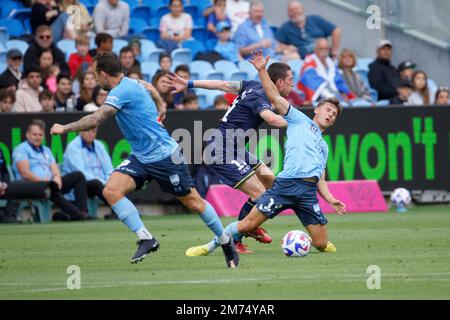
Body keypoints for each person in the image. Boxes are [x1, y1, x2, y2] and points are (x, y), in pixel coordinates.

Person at [50, 52, 239, 267]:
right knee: (111, 190)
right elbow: (150, 87)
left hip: (166, 157)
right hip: (141, 158)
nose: (95, 79)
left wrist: (64, 128)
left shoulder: (121, 91)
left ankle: (225, 240)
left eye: (95, 74)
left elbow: (96, 119)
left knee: (194, 202)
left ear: (103, 74)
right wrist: (161, 104)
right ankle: (146, 238)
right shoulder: (131, 82)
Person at [186, 51, 347, 257]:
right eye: (327, 110)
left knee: (322, 243)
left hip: (307, 193)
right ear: (316, 110)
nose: (330, 114)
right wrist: (262, 70)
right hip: (286, 185)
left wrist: (330, 198)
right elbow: (273, 96)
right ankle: (209, 247)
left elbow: (320, 176)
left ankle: (312, 240)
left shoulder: (323, 146)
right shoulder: (298, 119)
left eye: (334, 114)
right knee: (246, 223)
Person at [165, 57, 295, 254]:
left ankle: (249, 226)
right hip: (221, 148)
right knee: (260, 194)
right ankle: (242, 233)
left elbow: (222, 84)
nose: (293, 83)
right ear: (279, 82)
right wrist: (298, 123)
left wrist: (189, 83)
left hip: (235, 146)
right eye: (290, 79)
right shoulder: (260, 96)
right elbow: (270, 118)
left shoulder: (251, 85)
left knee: (271, 184)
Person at [13, 119, 89, 221]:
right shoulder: (21, 149)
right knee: (51, 187)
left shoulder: (46, 150)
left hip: (50, 184)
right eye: (35, 134)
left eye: (40, 135)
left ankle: (82, 212)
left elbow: (55, 169)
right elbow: (25, 173)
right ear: (27, 134)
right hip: (32, 186)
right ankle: (77, 215)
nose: (37, 137)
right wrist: (45, 182)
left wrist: (57, 178)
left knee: (78, 176)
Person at [62, 128, 114, 218]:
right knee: (96, 183)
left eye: (93, 131)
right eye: (87, 131)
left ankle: (123, 210)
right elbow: (81, 173)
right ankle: (119, 209)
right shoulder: (73, 147)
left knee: (118, 182)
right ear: (80, 131)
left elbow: (109, 169)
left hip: (100, 184)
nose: (90, 133)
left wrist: (110, 182)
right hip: (80, 187)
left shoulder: (99, 145)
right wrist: (103, 183)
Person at [234, 1, 300, 62]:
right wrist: (259, 45)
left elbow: (275, 46)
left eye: (261, 11)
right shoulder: (243, 28)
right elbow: (240, 51)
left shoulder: (265, 26)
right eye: (256, 11)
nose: (259, 14)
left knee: (295, 56)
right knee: (267, 62)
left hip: (273, 58)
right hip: (256, 62)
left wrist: (287, 49)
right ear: (249, 13)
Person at [275, 1, 341, 59]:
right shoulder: (286, 27)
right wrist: (288, 47)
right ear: (288, 14)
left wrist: (334, 51)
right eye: (291, 10)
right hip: (304, 61)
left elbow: (336, 30)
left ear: (302, 9)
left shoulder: (315, 19)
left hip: (325, 57)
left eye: (296, 9)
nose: (294, 12)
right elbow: (276, 44)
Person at [298, 38, 355, 105]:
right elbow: (315, 85)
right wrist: (334, 98)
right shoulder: (308, 63)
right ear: (315, 50)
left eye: (326, 48)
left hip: (335, 96)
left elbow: (339, 82)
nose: (324, 51)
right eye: (321, 48)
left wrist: (345, 97)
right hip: (318, 98)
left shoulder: (331, 63)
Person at [0, 149, 19, 223]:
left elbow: (4, 170)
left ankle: (9, 217)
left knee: (16, 189)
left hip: (2, 186)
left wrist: (4, 184)